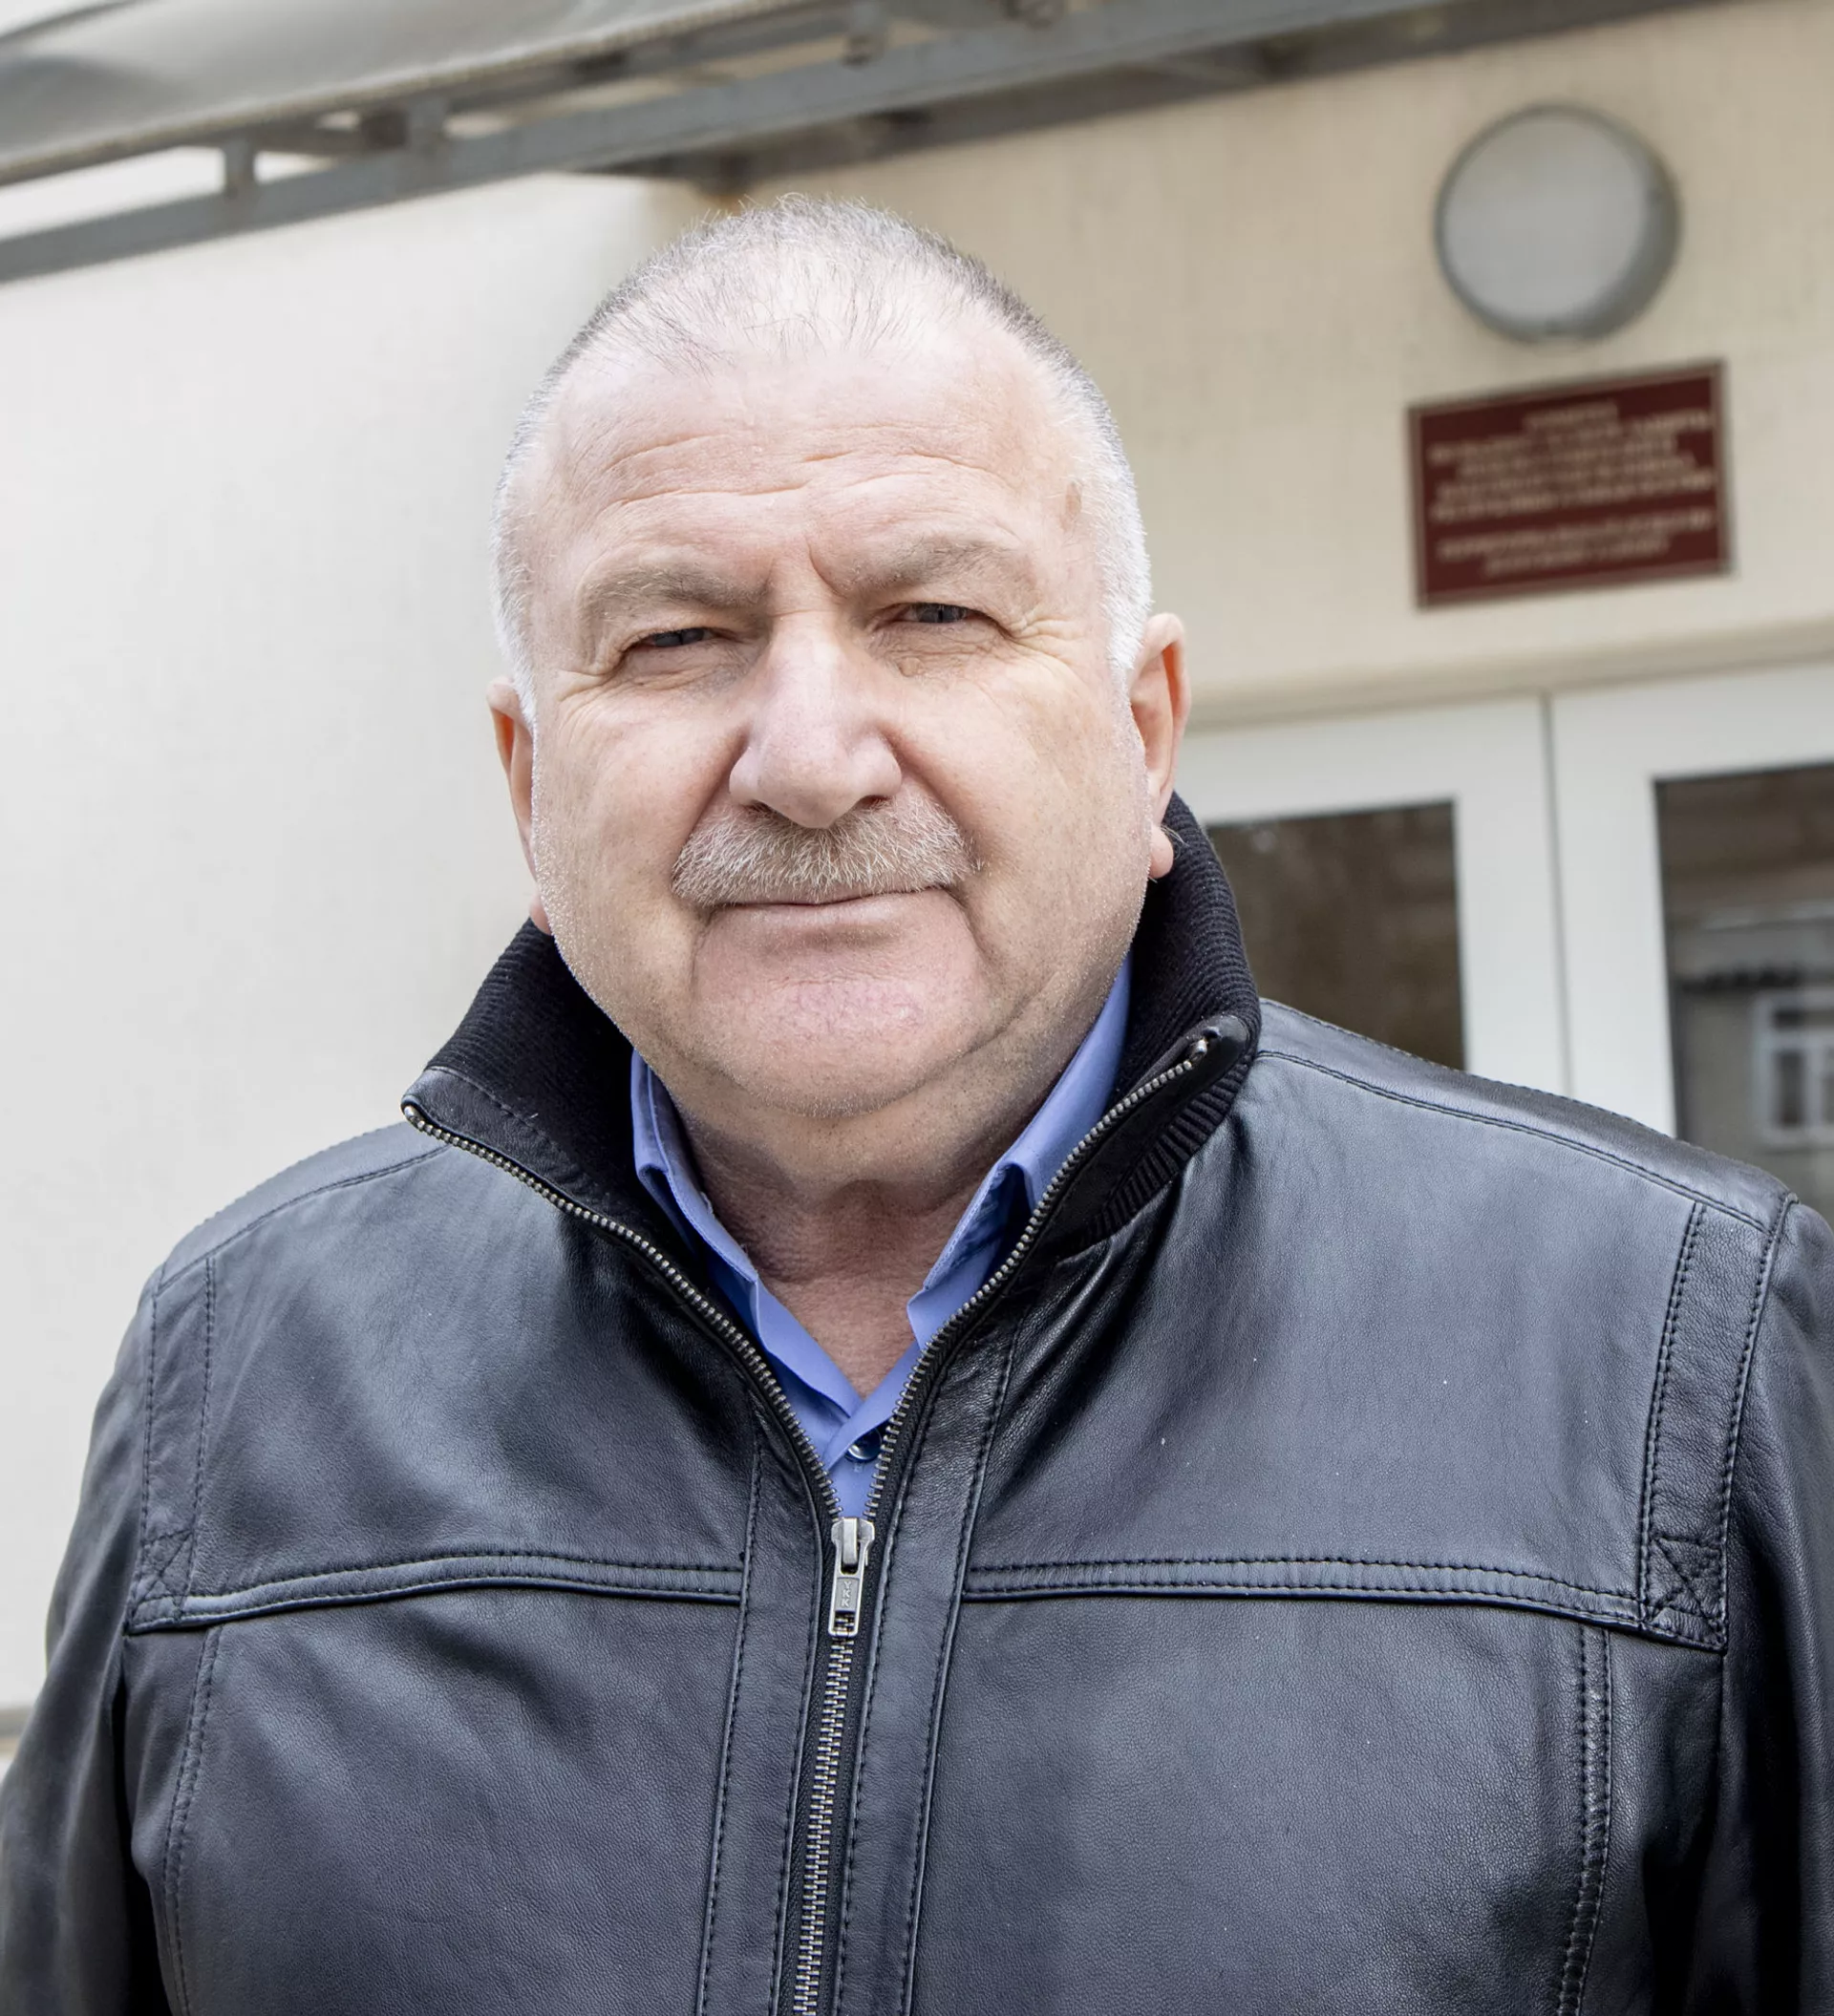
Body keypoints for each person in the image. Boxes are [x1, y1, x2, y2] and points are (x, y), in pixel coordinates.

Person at [2, 197, 1829, 2014]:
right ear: (527, 786)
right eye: (676, 638)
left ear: (1144, 731)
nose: (808, 758)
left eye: (933, 614)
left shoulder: (1676, 1346)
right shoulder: (234, 1371)